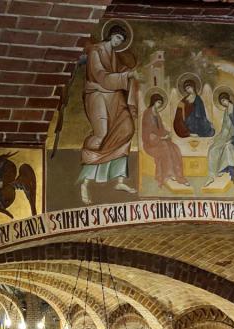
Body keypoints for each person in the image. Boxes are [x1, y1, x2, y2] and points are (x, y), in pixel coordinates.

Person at [78, 22, 139, 203]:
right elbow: (100, 75)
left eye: (122, 40)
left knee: (126, 128)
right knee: (102, 134)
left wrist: (129, 73)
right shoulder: (96, 51)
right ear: (111, 35)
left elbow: (119, 72)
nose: (119, 42)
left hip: (113, 96)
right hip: (97, 94)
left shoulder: (113, 55)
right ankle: (85, 182)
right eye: (118, 38)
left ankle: (119, 178)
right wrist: (125, 76)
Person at [141, 93, 189, 189]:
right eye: (158, 102)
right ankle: (166, 176)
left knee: (175, 148)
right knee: (165, 148)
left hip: (159, 141)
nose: (159, 105)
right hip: (150, 144)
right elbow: (146, 133)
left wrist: (167, 133)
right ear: (154, 102)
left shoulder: (157, 114)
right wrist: (159, 138)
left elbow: (160, 129)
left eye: (160, 103)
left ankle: (178, 175)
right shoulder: (147, 113)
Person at [205, 90, 234, 185]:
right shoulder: (226, 112)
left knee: (227, 148)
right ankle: (211, 176)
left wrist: (232, 140)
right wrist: (214, 139)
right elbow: (224, 130)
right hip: (225, 136)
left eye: (224, 100)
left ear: (228, 99)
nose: (223, 103)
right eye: (222, 102)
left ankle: (224, 170)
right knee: (213, 149)